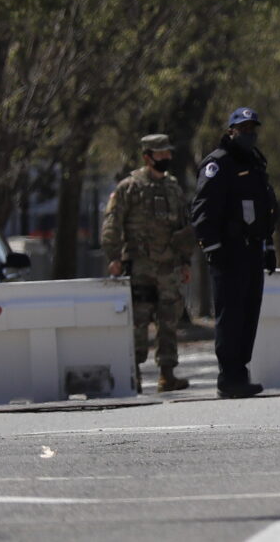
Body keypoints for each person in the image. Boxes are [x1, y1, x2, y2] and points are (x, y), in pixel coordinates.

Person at [192, 107, 279, 399]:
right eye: (242, 129)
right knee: (230, 315)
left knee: (248, 313)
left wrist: (269, 246)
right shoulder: (217, 164)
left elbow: (266, 208)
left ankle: (240, 372)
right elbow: (203, 211)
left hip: (253, 250)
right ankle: (228, 376)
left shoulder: (255, 162)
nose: (248, 134)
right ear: (231, 131)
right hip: (228, 253)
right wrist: (212, 249)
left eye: (252, 128)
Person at [101, 134, 195, 393]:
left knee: (169, 321)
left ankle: (167, 375)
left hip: (169, 268)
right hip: (140, 268)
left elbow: (183, 228)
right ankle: (135, 376)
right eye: (161, 153)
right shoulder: (129, 187)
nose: (166, 158)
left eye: (168, 153)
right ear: (147, 156)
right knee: (138, 323)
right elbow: (112, 224)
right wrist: (113, 258)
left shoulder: (173, 188)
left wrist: (185, 262)